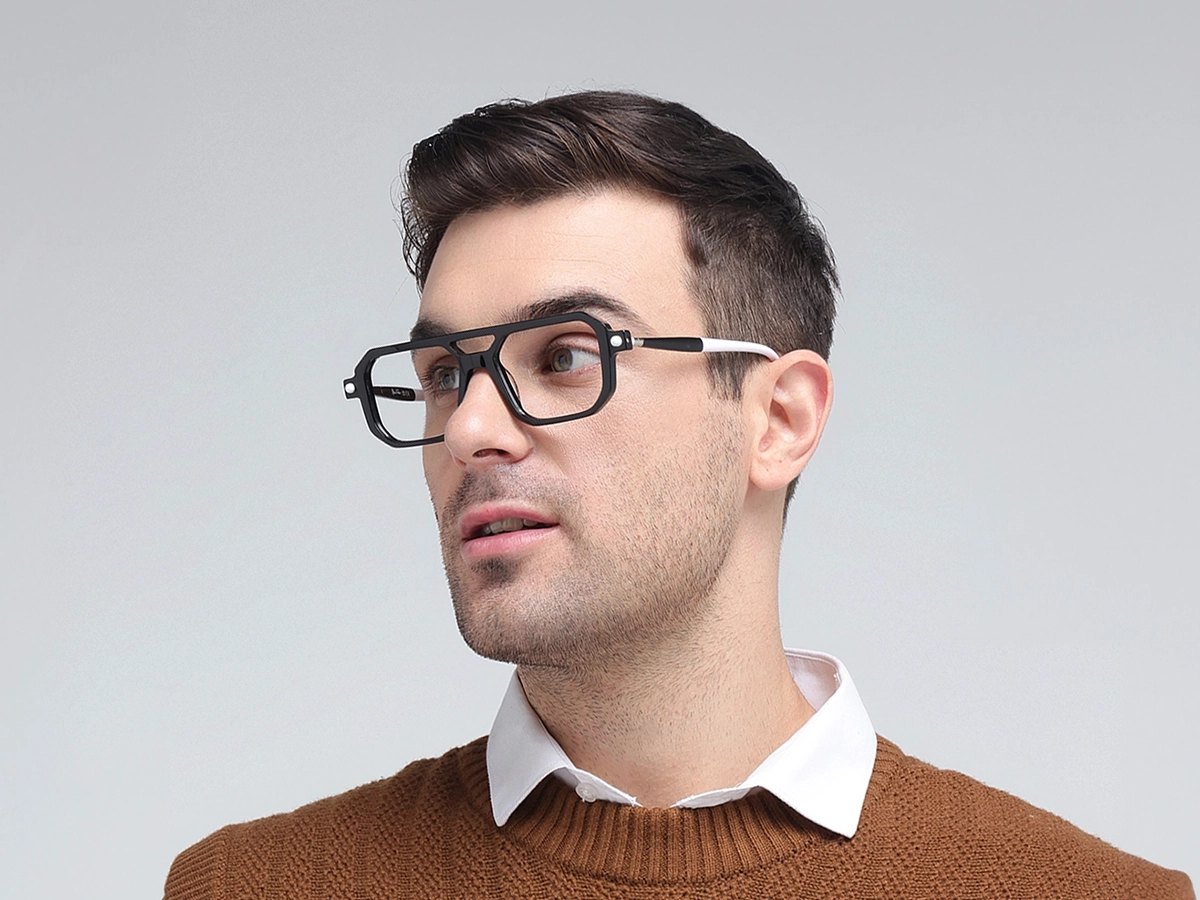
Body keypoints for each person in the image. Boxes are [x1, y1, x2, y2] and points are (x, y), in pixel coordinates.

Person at [163, 91, 1193, 899]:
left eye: (567, 355)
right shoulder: (250, 889)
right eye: (443, 374)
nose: (470, 429)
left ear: (778, 419)